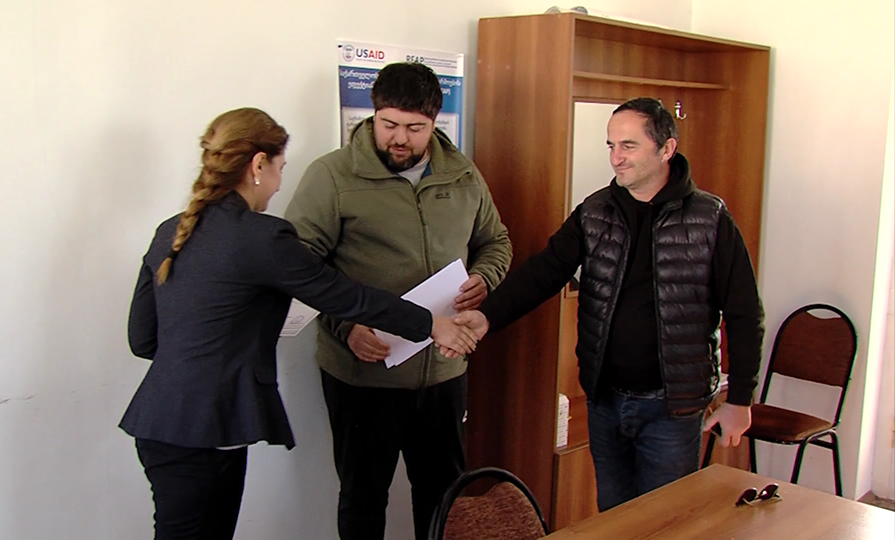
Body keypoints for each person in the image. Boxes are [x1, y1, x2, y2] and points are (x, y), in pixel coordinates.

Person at [118, 107, 478, 540]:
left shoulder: (170, 231)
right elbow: (347, 296)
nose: (278, 182)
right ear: (258, 165)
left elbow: (143, 338)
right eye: (280, 168)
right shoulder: (262, 237)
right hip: (207, 424)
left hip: (160, 422)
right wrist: (432, 324)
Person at [454, 97, 764, 512]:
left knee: (665, 523)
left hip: (672, 408)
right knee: (613, 520)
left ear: (667, 149)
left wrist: (740, 399)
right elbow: (545, 272)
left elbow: (745, 313)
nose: (616, 158)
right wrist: (486, 317)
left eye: (629, 146)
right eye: (611, 145)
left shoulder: (710, 219)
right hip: (605, 401)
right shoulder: (595, 211)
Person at [284, 63, 512, 540]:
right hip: (363, 375)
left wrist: (483, 277)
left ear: (435, 122)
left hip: (444, 373)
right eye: (389, 124)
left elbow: (496, 241)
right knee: (363, 499)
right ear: (373, 114)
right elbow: (299, 266)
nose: (400, 139)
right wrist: (345, 325)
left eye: (415, 128)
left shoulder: (463, 174)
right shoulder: (332, 175)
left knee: (444, 497)